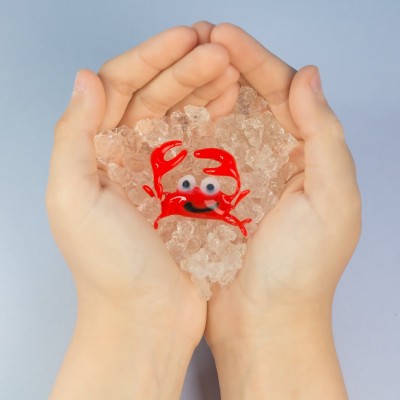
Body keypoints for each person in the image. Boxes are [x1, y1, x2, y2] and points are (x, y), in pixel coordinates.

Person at [46, 22, 361, 399]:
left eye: (209, 186)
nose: (197, 190)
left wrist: (281, 319)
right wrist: (130, 313)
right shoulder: (166, 193)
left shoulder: (230, 201)